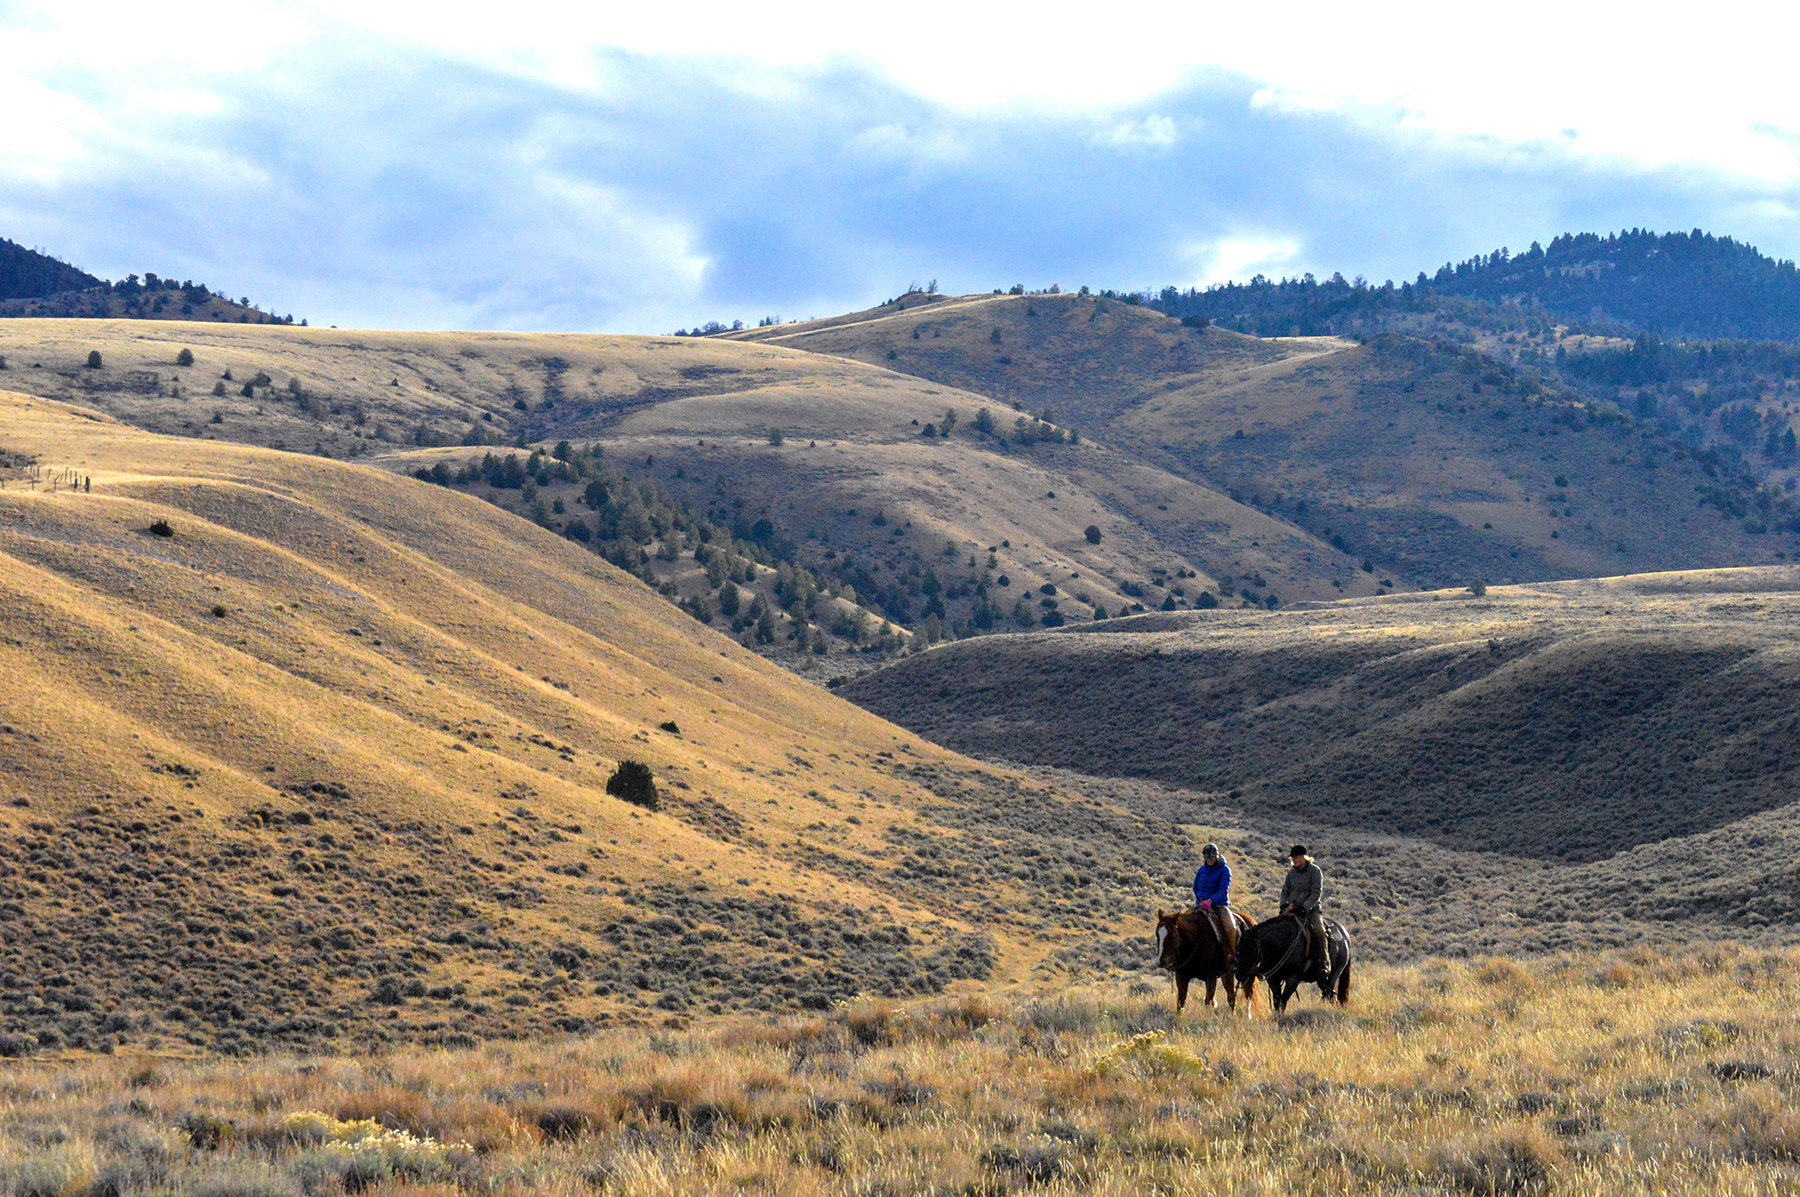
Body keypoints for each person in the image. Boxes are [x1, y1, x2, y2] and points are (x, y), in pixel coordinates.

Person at [1279, 843, 1328, 979]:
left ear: (1305, 857)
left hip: (1310, 911)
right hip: (1292, 910)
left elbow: (1316, 893)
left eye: (1297, 857)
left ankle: (1324, 963)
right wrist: (1283, 905)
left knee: (1319, 931)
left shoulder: (1315, 871)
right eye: (1293, 857)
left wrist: (1305, 908)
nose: (1294, 860)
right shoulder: (1291, 873)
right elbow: (1285, 891)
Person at [1190, 843, 1238, 961]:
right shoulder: (1202, 870)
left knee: (1229, 927)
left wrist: (1211, 900)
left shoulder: (1225, 870)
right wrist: (1200, 899)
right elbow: (1195, 886)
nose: (1210, 860)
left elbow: (1223, 890)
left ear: (1216, 856)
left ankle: (1231, 956)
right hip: (1201, 904)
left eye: (1212, 858)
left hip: (1219, 905)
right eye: (1208, 858)